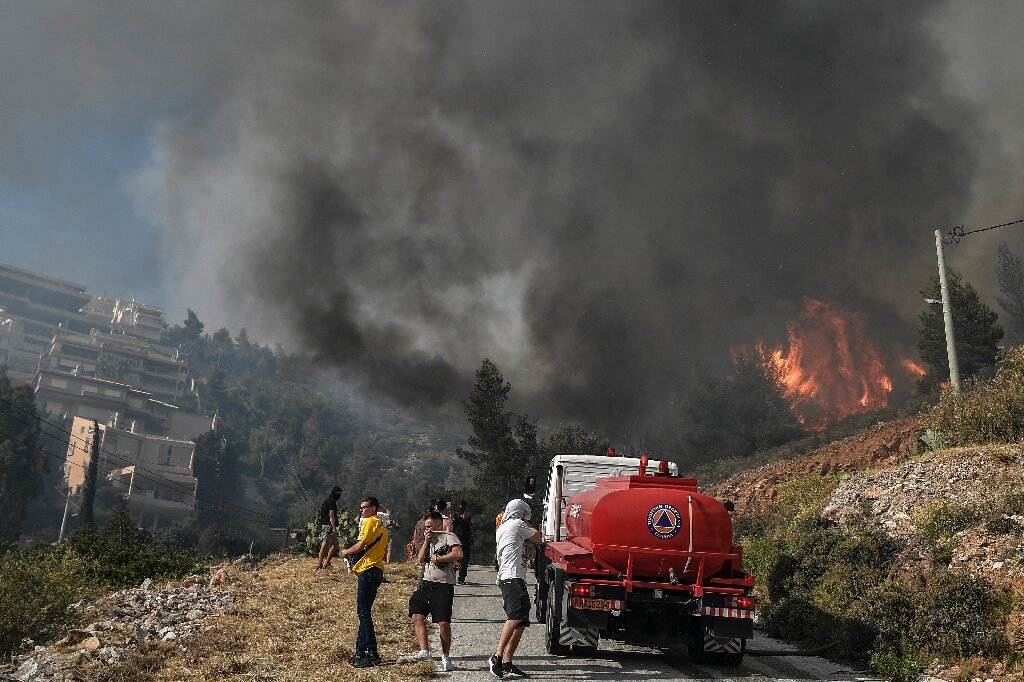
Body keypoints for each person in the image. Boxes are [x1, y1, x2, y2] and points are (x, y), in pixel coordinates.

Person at [403, 511, 463, 671]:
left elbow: (458, 553)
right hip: (426, 582)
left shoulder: (450, 537)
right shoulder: (428, 539)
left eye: (429, 526)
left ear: (438, 524)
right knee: (417, 614)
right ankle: (424, 650)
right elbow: (421, 558)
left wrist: (440, 559)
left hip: (443, 584)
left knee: (443, 622)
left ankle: (446, 656)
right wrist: (426, 541)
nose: (426, 529)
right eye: (425, 527)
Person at [489, 499, 541, 678]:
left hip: (510, 577)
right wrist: (528, 522)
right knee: (515, 617)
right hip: (512, 577)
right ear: (522, 514)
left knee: (521, 621)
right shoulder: (517, 524)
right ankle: (497, 657)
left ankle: (507, 662)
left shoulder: (502, 527)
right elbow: (539, 538)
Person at [340, 496, 389, 668]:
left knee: (363, 612)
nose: (361, 510)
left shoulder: (369, 522)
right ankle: (360, 652)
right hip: (377, 570)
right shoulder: (383, 527)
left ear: (373, 508)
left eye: (364, 507)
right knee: (364, 611)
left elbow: (360, 545)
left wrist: (346, 551)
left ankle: (373, 653)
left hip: (368, 570)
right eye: (360, 507)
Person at [316, 486, 342, 571]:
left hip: (326, 524)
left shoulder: (328, 500)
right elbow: (331, 515)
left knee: (335, 544)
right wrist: (333, 527)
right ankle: (319, 565)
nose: (339, 496)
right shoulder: (332, 502)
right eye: (339, 494)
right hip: (328, 526)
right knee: (325, 544)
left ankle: (327, 563)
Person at [452, 501, 473, 585]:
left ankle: (461, 578)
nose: (469, 513)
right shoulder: (457, 521)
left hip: (466, 544)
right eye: (467, 512)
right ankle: (452, 577)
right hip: (458, 543)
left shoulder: (467, 521)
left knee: (465, 562)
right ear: (464, 512)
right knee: (455, 561)